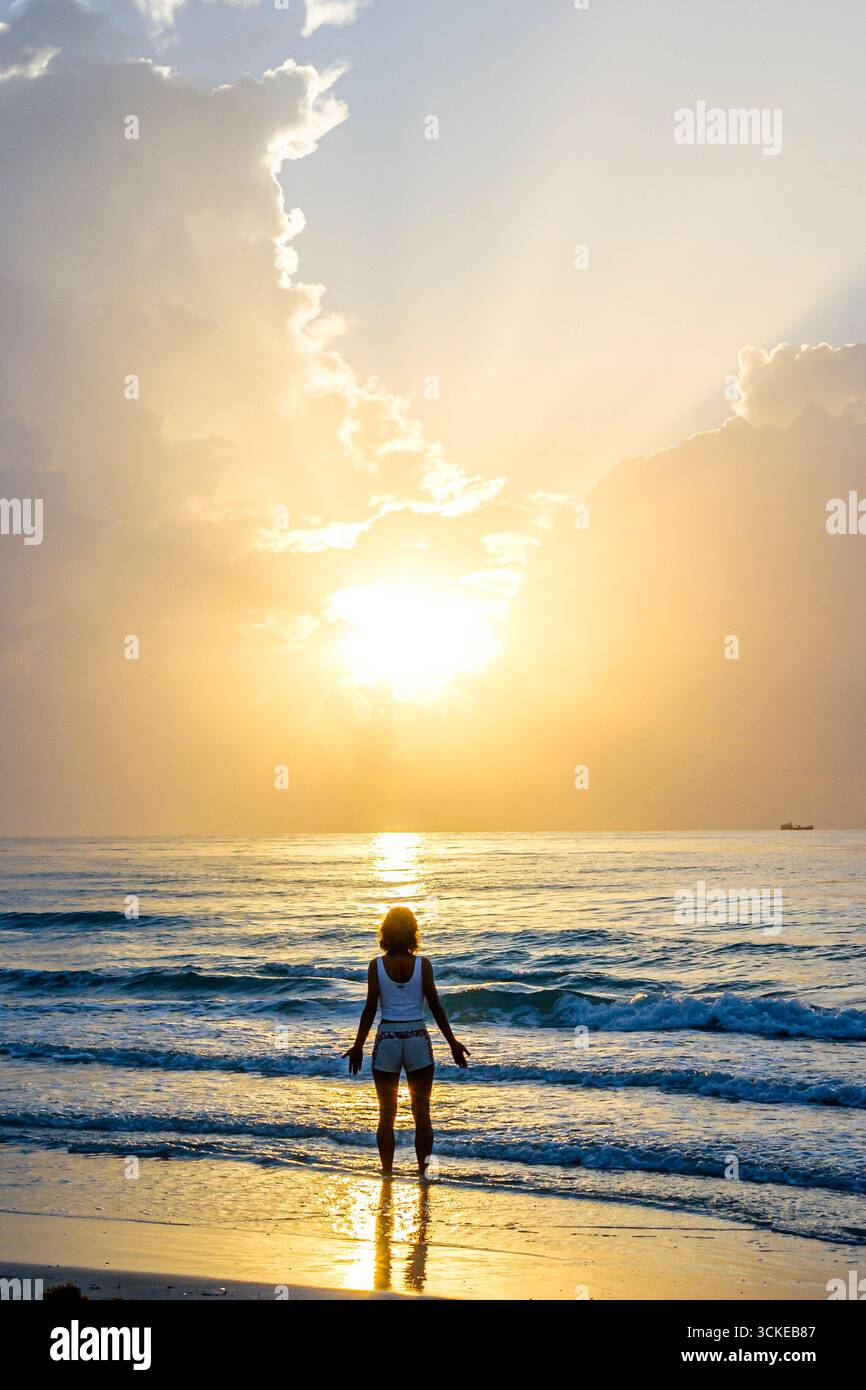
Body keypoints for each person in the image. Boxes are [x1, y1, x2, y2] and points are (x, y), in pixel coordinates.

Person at [342, 905, 470, 1177]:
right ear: (413, 932)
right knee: (422, 1115)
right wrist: (452, 1042)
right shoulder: (423, 965)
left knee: (386, 1115)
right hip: (417, 1040)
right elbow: (435, 1006)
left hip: (387, 1038)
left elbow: (369, 1008)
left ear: (385, 932)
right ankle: (425, 1175)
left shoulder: (375, 965)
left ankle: (386, 1174)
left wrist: (358, 1046)